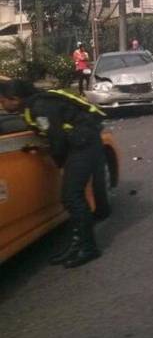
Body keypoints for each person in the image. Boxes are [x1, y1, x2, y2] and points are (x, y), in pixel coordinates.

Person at [0, 80, 111, 268]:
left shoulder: (39, 107)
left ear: (15, 99)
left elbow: (57, 140)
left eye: (3, 101)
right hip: (81, 143)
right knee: (71, 198)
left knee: (72, 197)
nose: (2, 105)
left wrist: (59, 164)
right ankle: (78, 244)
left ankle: (88, 247)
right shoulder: (33, 105)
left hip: (84, 145)